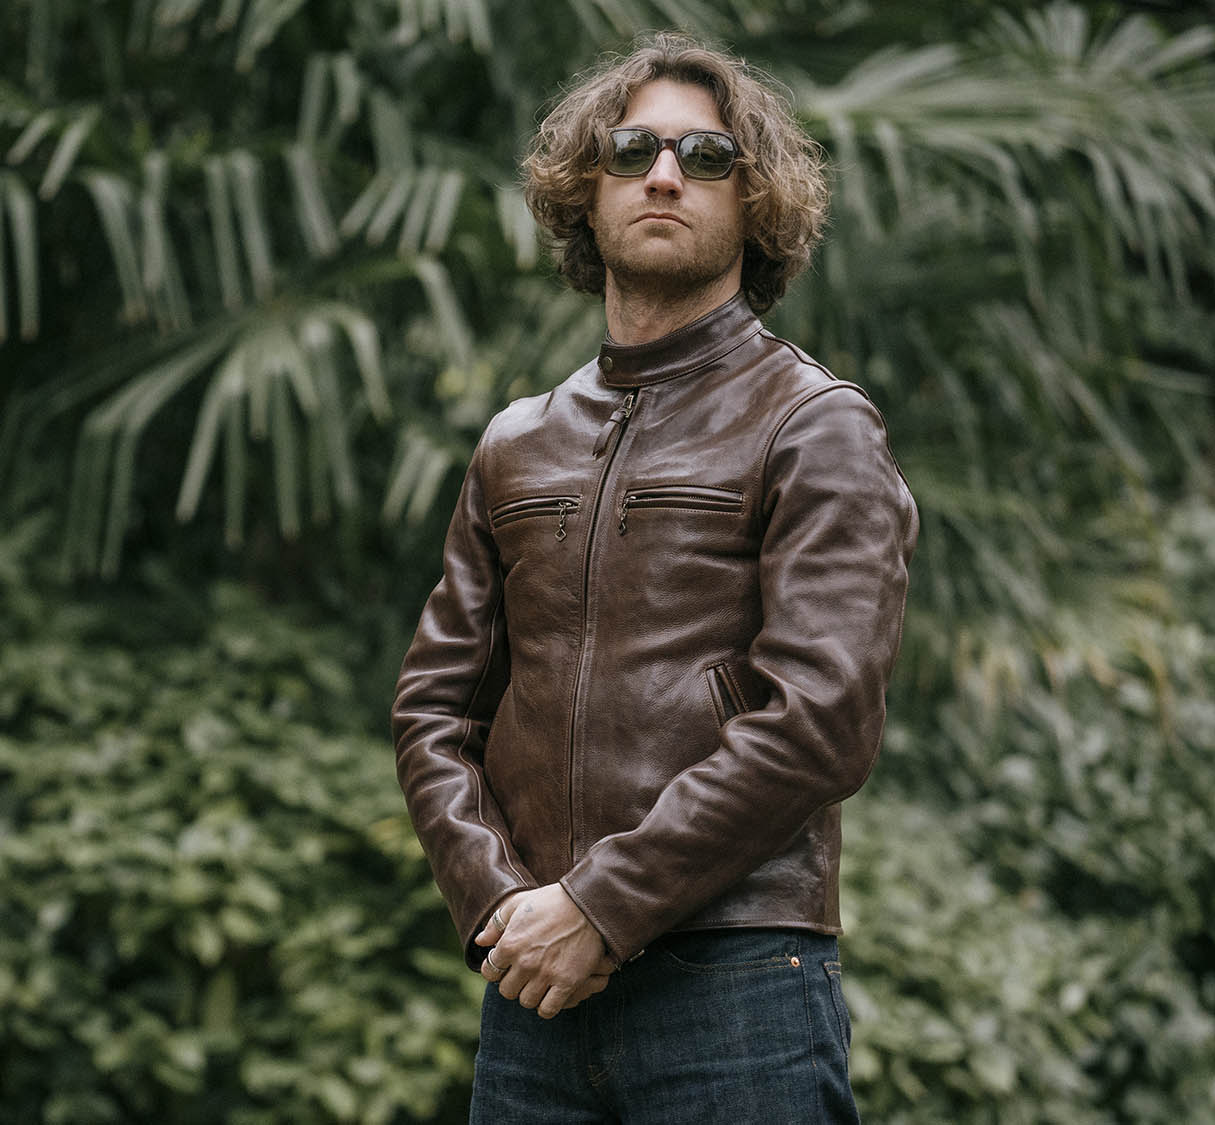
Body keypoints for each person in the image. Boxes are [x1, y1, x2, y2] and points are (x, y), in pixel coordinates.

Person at [390, 30, 918, 1123]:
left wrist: (601, 905)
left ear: (753, 200)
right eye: (631, 151)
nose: (664, 175)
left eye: (704, 156)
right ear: (585, 192)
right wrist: (503, 906)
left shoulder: (814, 425)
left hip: (735, 985)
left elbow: (821, 720)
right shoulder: (516, 440)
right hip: (534, 990)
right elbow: (434, 710)